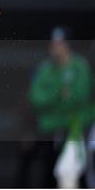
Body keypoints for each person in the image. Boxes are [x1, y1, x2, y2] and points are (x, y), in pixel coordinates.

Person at [29, 26, 92, 188]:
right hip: (48, 131)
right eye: (53, 44)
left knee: (74, 174)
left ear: (67, 45)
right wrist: (58, 94)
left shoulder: (79, 66)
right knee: (48, 176)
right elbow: (36, 99)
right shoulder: (45, 69)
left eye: (59, 44)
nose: (55, 48)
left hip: (76, 131)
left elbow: (80, 97)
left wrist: (60, 100)